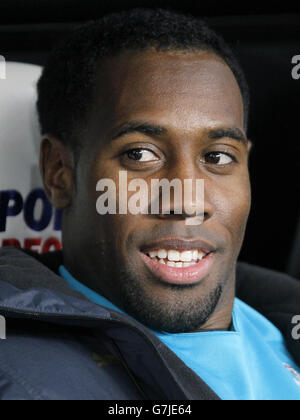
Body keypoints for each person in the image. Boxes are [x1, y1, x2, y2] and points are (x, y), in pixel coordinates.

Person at [0, 8, 300, 401]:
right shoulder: (26, 380)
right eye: (140, 154)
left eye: (218, 157)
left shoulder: (280, 313)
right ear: (60, 173)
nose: (188, 201)